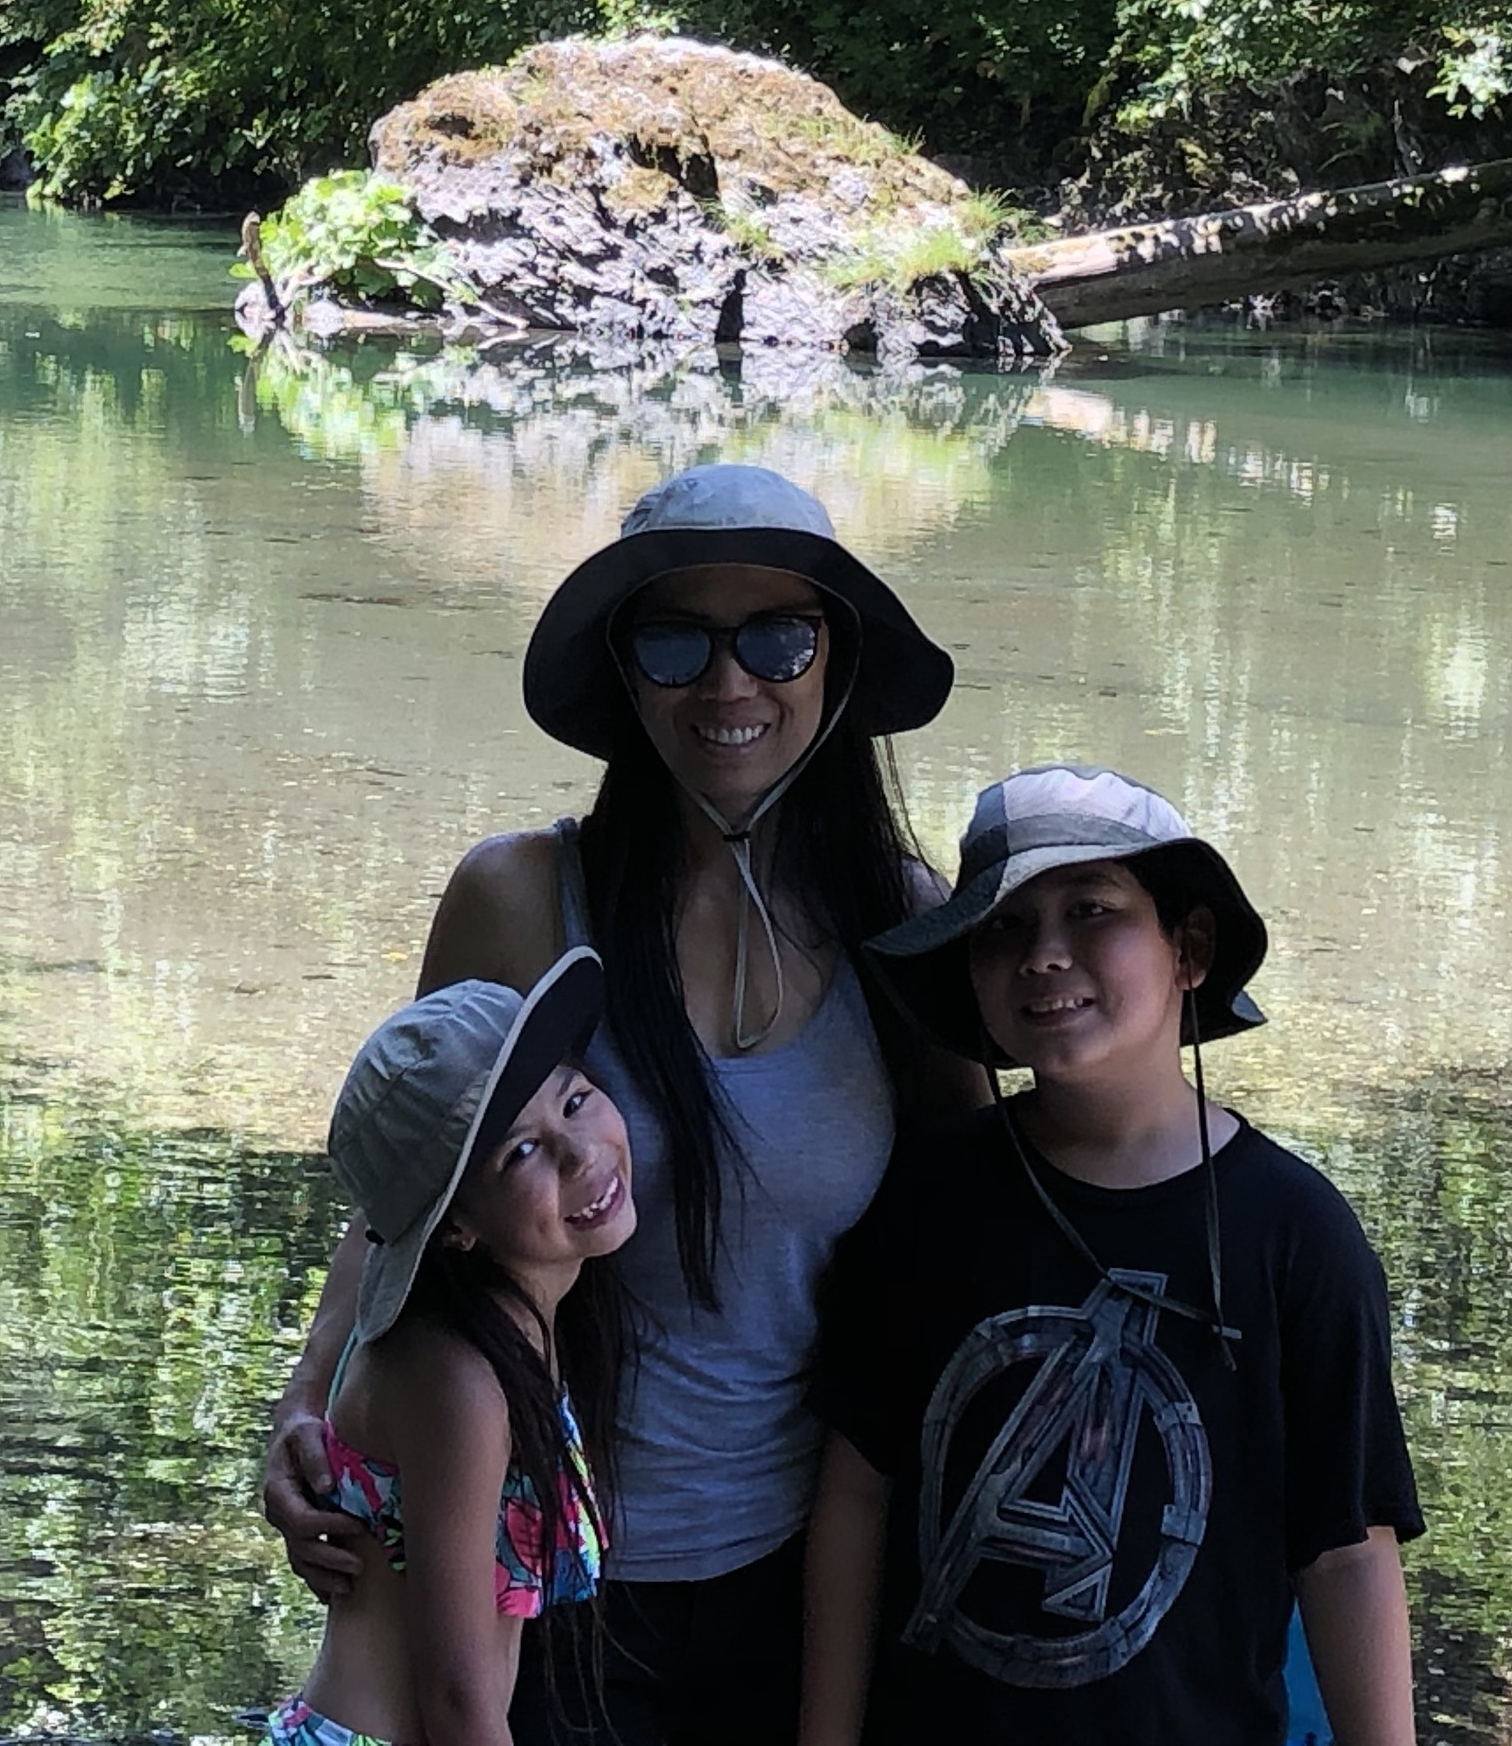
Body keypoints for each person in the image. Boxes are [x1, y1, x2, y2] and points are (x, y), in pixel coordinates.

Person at [263, 465, 985, 1746]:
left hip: (802, 1574)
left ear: (837, 661)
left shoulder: (905, 921)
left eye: (778, 637)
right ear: (623, 669)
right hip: (542, 1573)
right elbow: (412, 1192)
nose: (728, 685)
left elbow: (982, 1237)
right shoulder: (525, 897)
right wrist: (309, 1404)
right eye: (675, 640)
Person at [796, 766, 1421, 1746]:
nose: (1044, 954)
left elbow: (1345, 1552)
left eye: (1092, 910)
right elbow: (856, 1493)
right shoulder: (927, 1197)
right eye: (1004, 926)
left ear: (1191, 948)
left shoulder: (1297, 1236)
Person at [272, 949, 637, 1746]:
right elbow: (458, 1699)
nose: (580, 1153)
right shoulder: (461, 1381)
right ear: (456, 1226)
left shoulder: (514, 1326)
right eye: (522, 1152)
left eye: (575, 1100)